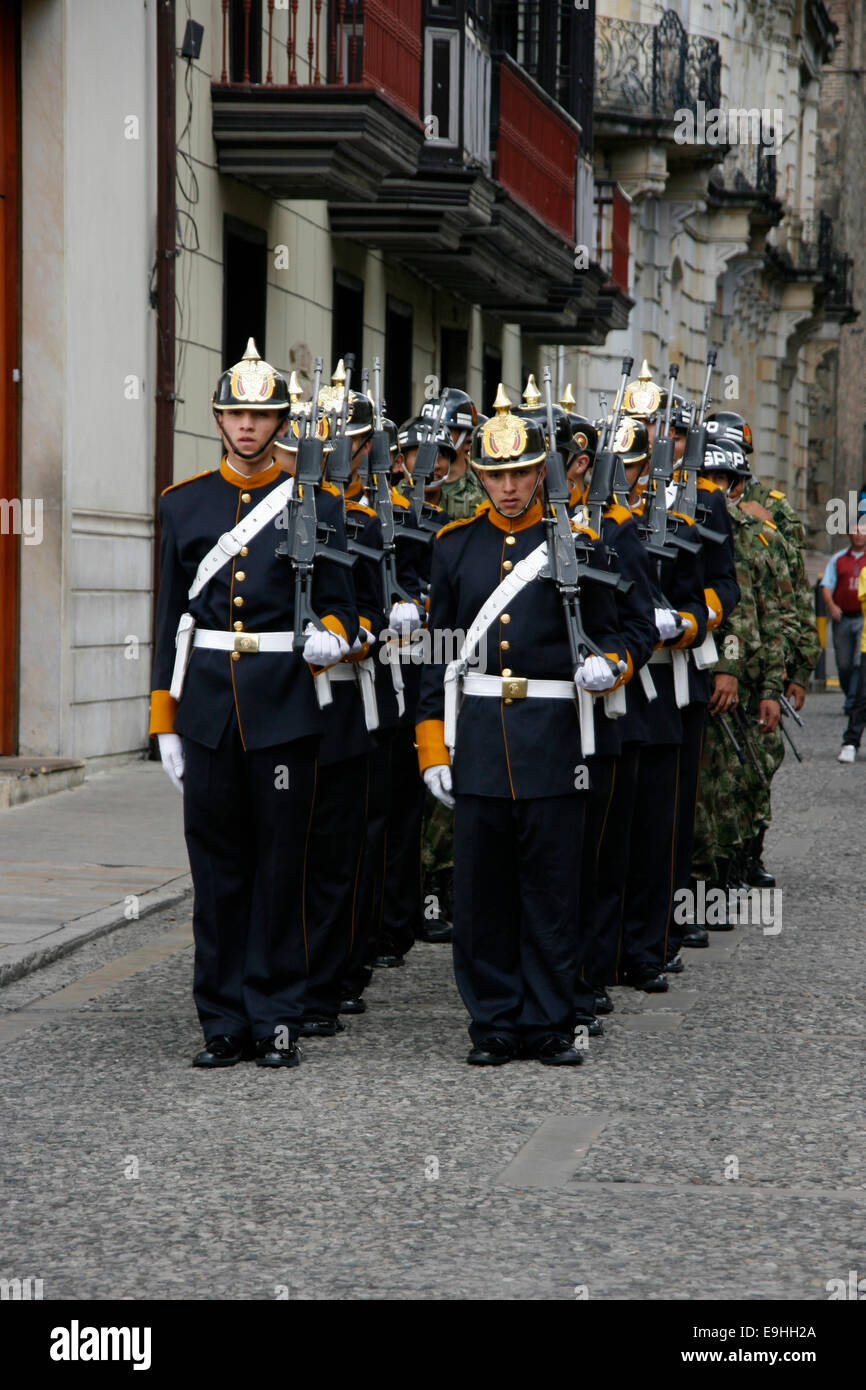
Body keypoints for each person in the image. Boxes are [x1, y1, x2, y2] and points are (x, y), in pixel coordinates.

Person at [149, 340, 358, 1069]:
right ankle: (221, 1020)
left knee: (280, 868)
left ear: (280, 423)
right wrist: (163, 721)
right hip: (206, 709)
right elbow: (167, 617)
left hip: (283, 709)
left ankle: (275, 1016)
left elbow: (345, 607)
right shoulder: (184, 504)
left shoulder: (318, 503)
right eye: (236, 413)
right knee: (216, 871)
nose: (247, 426)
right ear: (217, 418)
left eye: (260, 415)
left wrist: (334, 638)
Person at [416, 386, 633, 1066]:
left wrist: (613, 666)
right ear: (478, 477)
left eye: (519, 473)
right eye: (495, 476)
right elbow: (437, 651)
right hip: (479, 733)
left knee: (552, 888)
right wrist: (431, 745)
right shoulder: (455, 547)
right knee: (481, 894)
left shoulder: (579, 542)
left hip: (555, 735)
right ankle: (494, 1023)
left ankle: (547, 1020)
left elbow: (623, 628)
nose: (508, 488)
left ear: (541, 470)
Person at [821, 521, 866, 716]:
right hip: (843, 618)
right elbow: (826, 585)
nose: (859, 535)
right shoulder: (838, 559)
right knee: (844, 664)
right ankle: (851, 694)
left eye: (863, 531)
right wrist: (831, 605)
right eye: (855, 531)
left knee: (858, 661)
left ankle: (853, 703)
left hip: (863, 619)